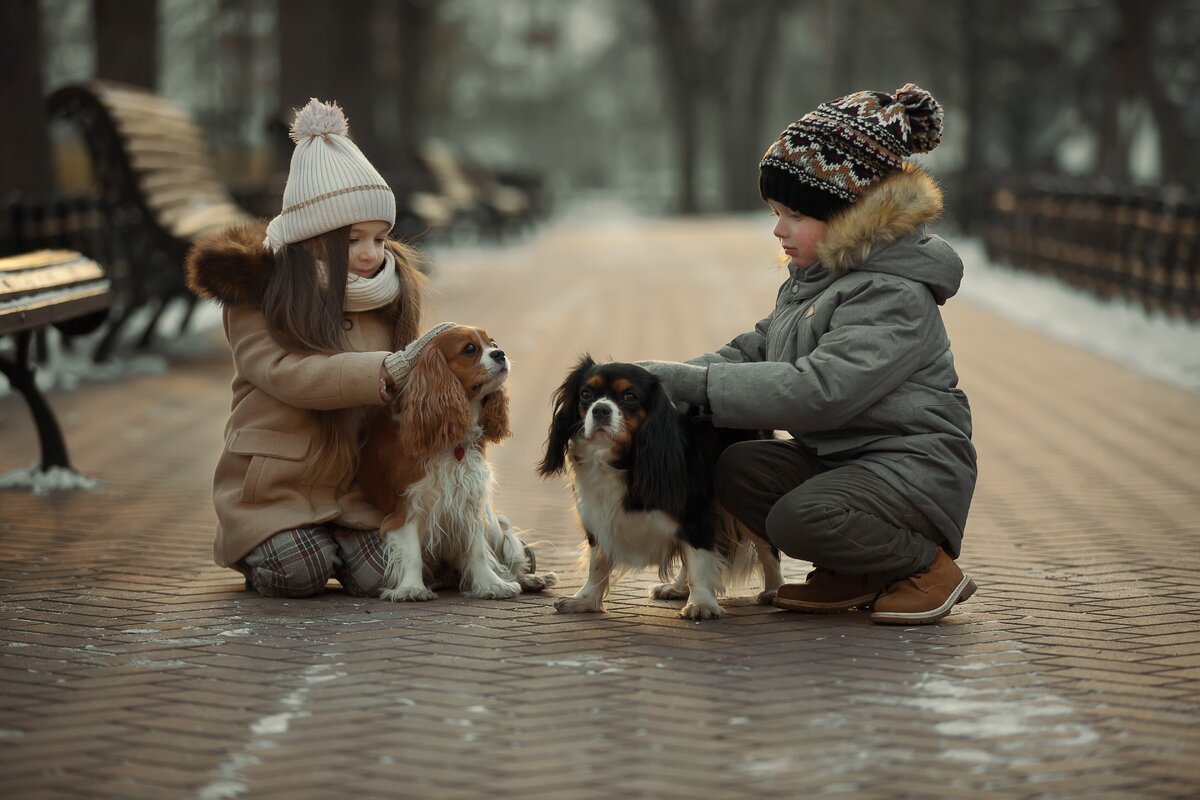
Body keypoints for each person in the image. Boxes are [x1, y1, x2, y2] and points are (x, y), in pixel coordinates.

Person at [640, 84, 977, 625]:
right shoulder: (817, 278)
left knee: (801, 517)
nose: (779, 229)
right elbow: (755, 349)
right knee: (739, 469)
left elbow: (818, 392)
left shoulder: (891, 293)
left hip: (913, 468)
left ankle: (926, 568)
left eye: (795, 213)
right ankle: (855, 569)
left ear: (851, 214)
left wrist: (693, 386)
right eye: (775, 212)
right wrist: (655, 382)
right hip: (847, 462)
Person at [185, 98, 534, 597]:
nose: (372, 254)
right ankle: (269, 549)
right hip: (278, 488)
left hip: (355, 491)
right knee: (300, 570)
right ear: (312, 239)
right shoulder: (259, 295)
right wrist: (389, 369)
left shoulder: (391, 291)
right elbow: (288, 374)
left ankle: (491, 537)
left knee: (387, 573)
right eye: (353, 240)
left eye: (380, 236)